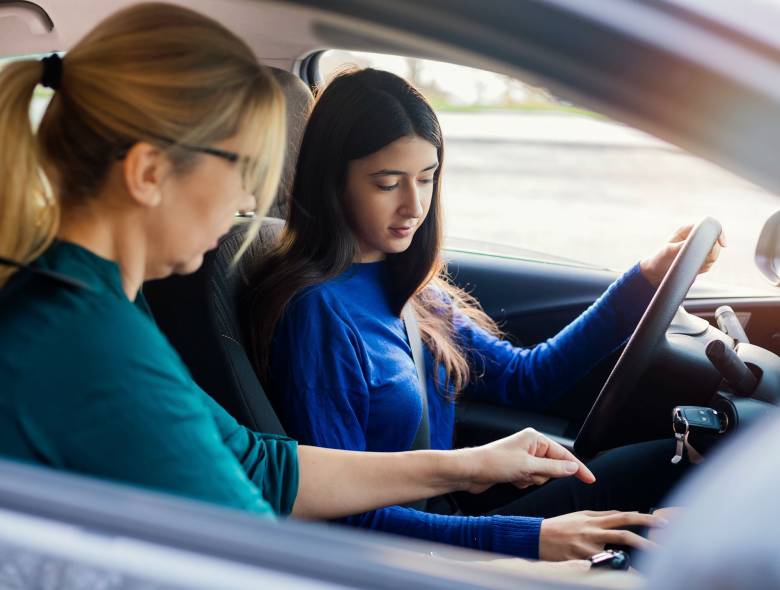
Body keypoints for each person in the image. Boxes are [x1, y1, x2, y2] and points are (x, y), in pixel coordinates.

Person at [0, 4, 596, 530]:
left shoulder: (94, 301)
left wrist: (468, 466)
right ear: (150, 173)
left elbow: (263, 468)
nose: (249, 203)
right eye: (243, 169)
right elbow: (249, 544)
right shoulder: (88, 341)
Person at [246, 68, 725, 559]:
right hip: (422, 548)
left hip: (451, 517)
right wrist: (526, 539)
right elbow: (341, 517)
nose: (414, 205)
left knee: (691, 461)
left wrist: (647, 277)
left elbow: (526, 378)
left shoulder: (412, 287)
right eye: (388, 183)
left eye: (427, 179)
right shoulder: (318, 315)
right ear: (334, 183)